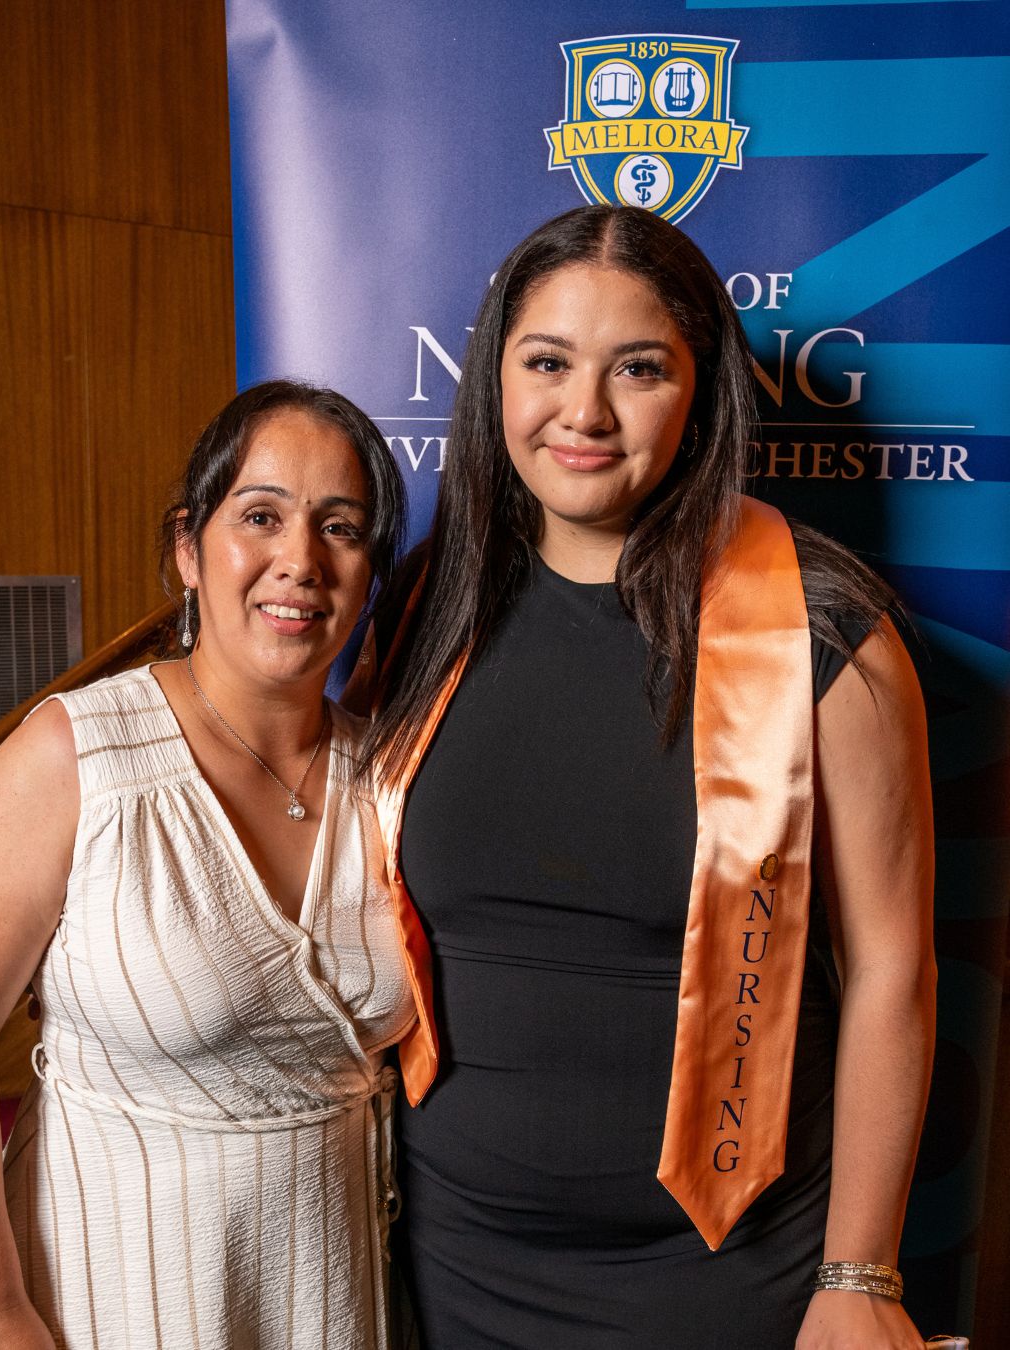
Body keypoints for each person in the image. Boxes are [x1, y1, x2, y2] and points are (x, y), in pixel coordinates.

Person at [352, 206, 936, 1350]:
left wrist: (861, 1277)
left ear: (701, 394)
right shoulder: (425, 606)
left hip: (732, 1275)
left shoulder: (829, 635)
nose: (585, 412)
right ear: (495, 382)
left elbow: (892, 974)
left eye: (640, 369)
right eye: (548, 362)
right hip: (450, 1261)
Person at [0, 379, 418, 1349]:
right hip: (109, 1292)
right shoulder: (75, 754)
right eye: (262, 517)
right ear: (190, 549)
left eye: (341, 528)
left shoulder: (395, 773)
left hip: (331, 1290)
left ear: (372, 572)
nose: (299, 561)